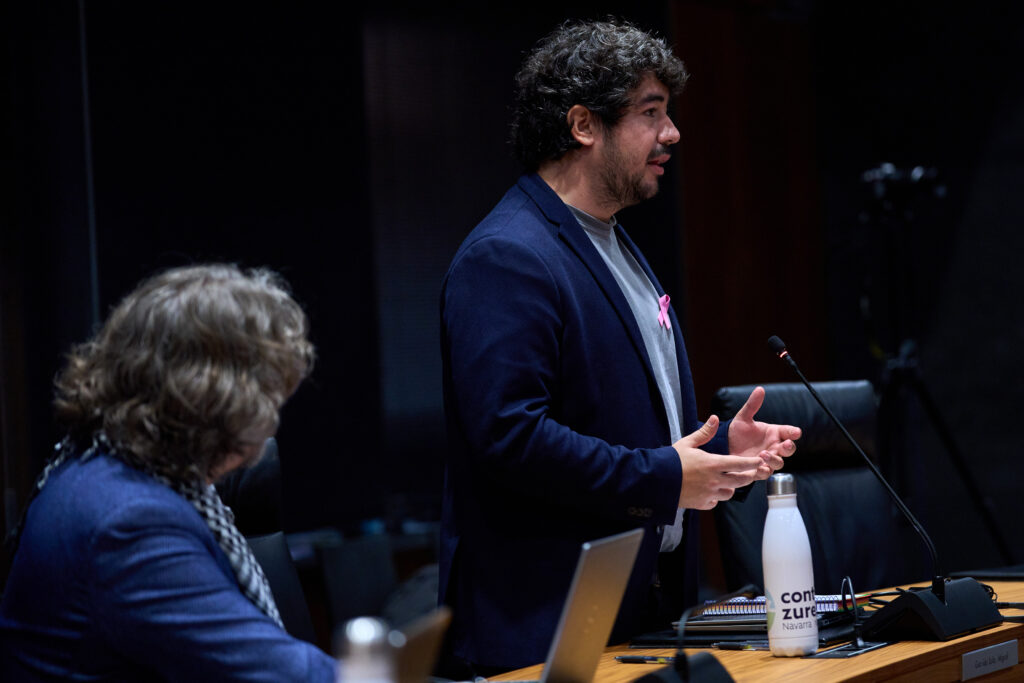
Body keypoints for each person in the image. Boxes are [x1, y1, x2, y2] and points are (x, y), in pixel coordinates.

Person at [438, 19, 802, 673]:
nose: (673, 133)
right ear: (584, 124)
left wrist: (718, 451)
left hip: (640, 611)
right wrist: (667, 477)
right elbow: (510, 438)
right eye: (650, 112)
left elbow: (616, 418)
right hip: (545, 628)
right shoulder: (506, 255)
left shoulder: (611, 238)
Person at [0, 264, 337, 681]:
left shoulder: (100, 465)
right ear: (218, 399)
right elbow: (281, 675)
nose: (272, 418)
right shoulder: (129, 522)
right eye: (268, 396)